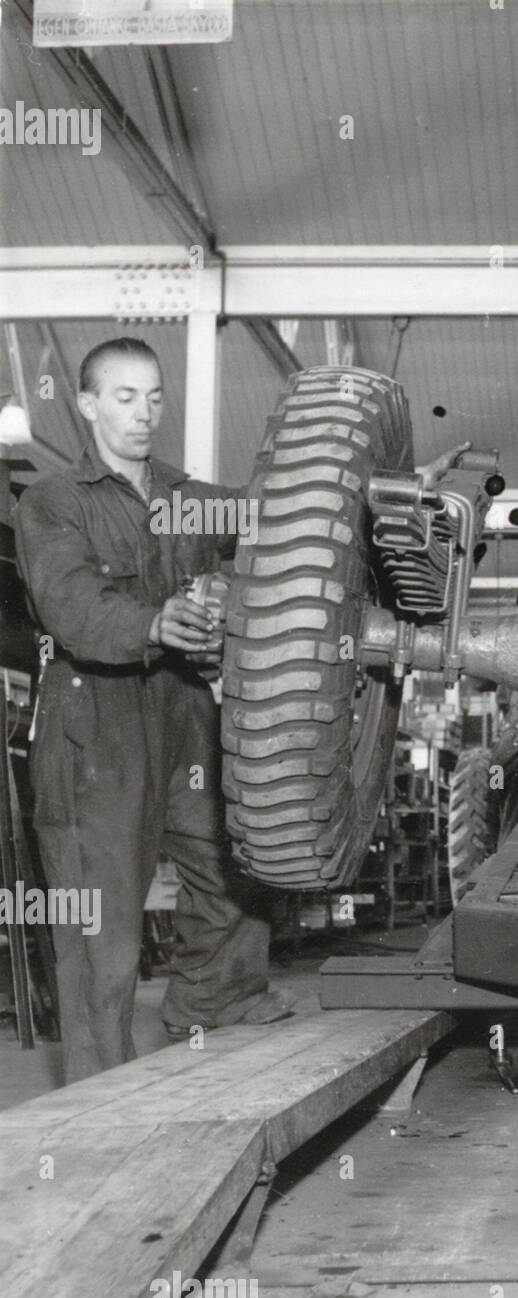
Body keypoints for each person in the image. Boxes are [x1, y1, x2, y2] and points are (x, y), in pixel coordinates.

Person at [14, 337, 292, 1083]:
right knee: (99, 922)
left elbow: (281, 518)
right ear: (87, 405)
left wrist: (362, 495)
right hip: (93, 720)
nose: (144, 414)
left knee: (235, 860)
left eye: (155, 397)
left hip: (183, 710)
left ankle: (215, 1003)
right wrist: (154, 624)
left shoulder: (185, 500)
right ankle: (101, 1094)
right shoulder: (54, 501)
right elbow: (70, 604)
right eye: (125, 397)